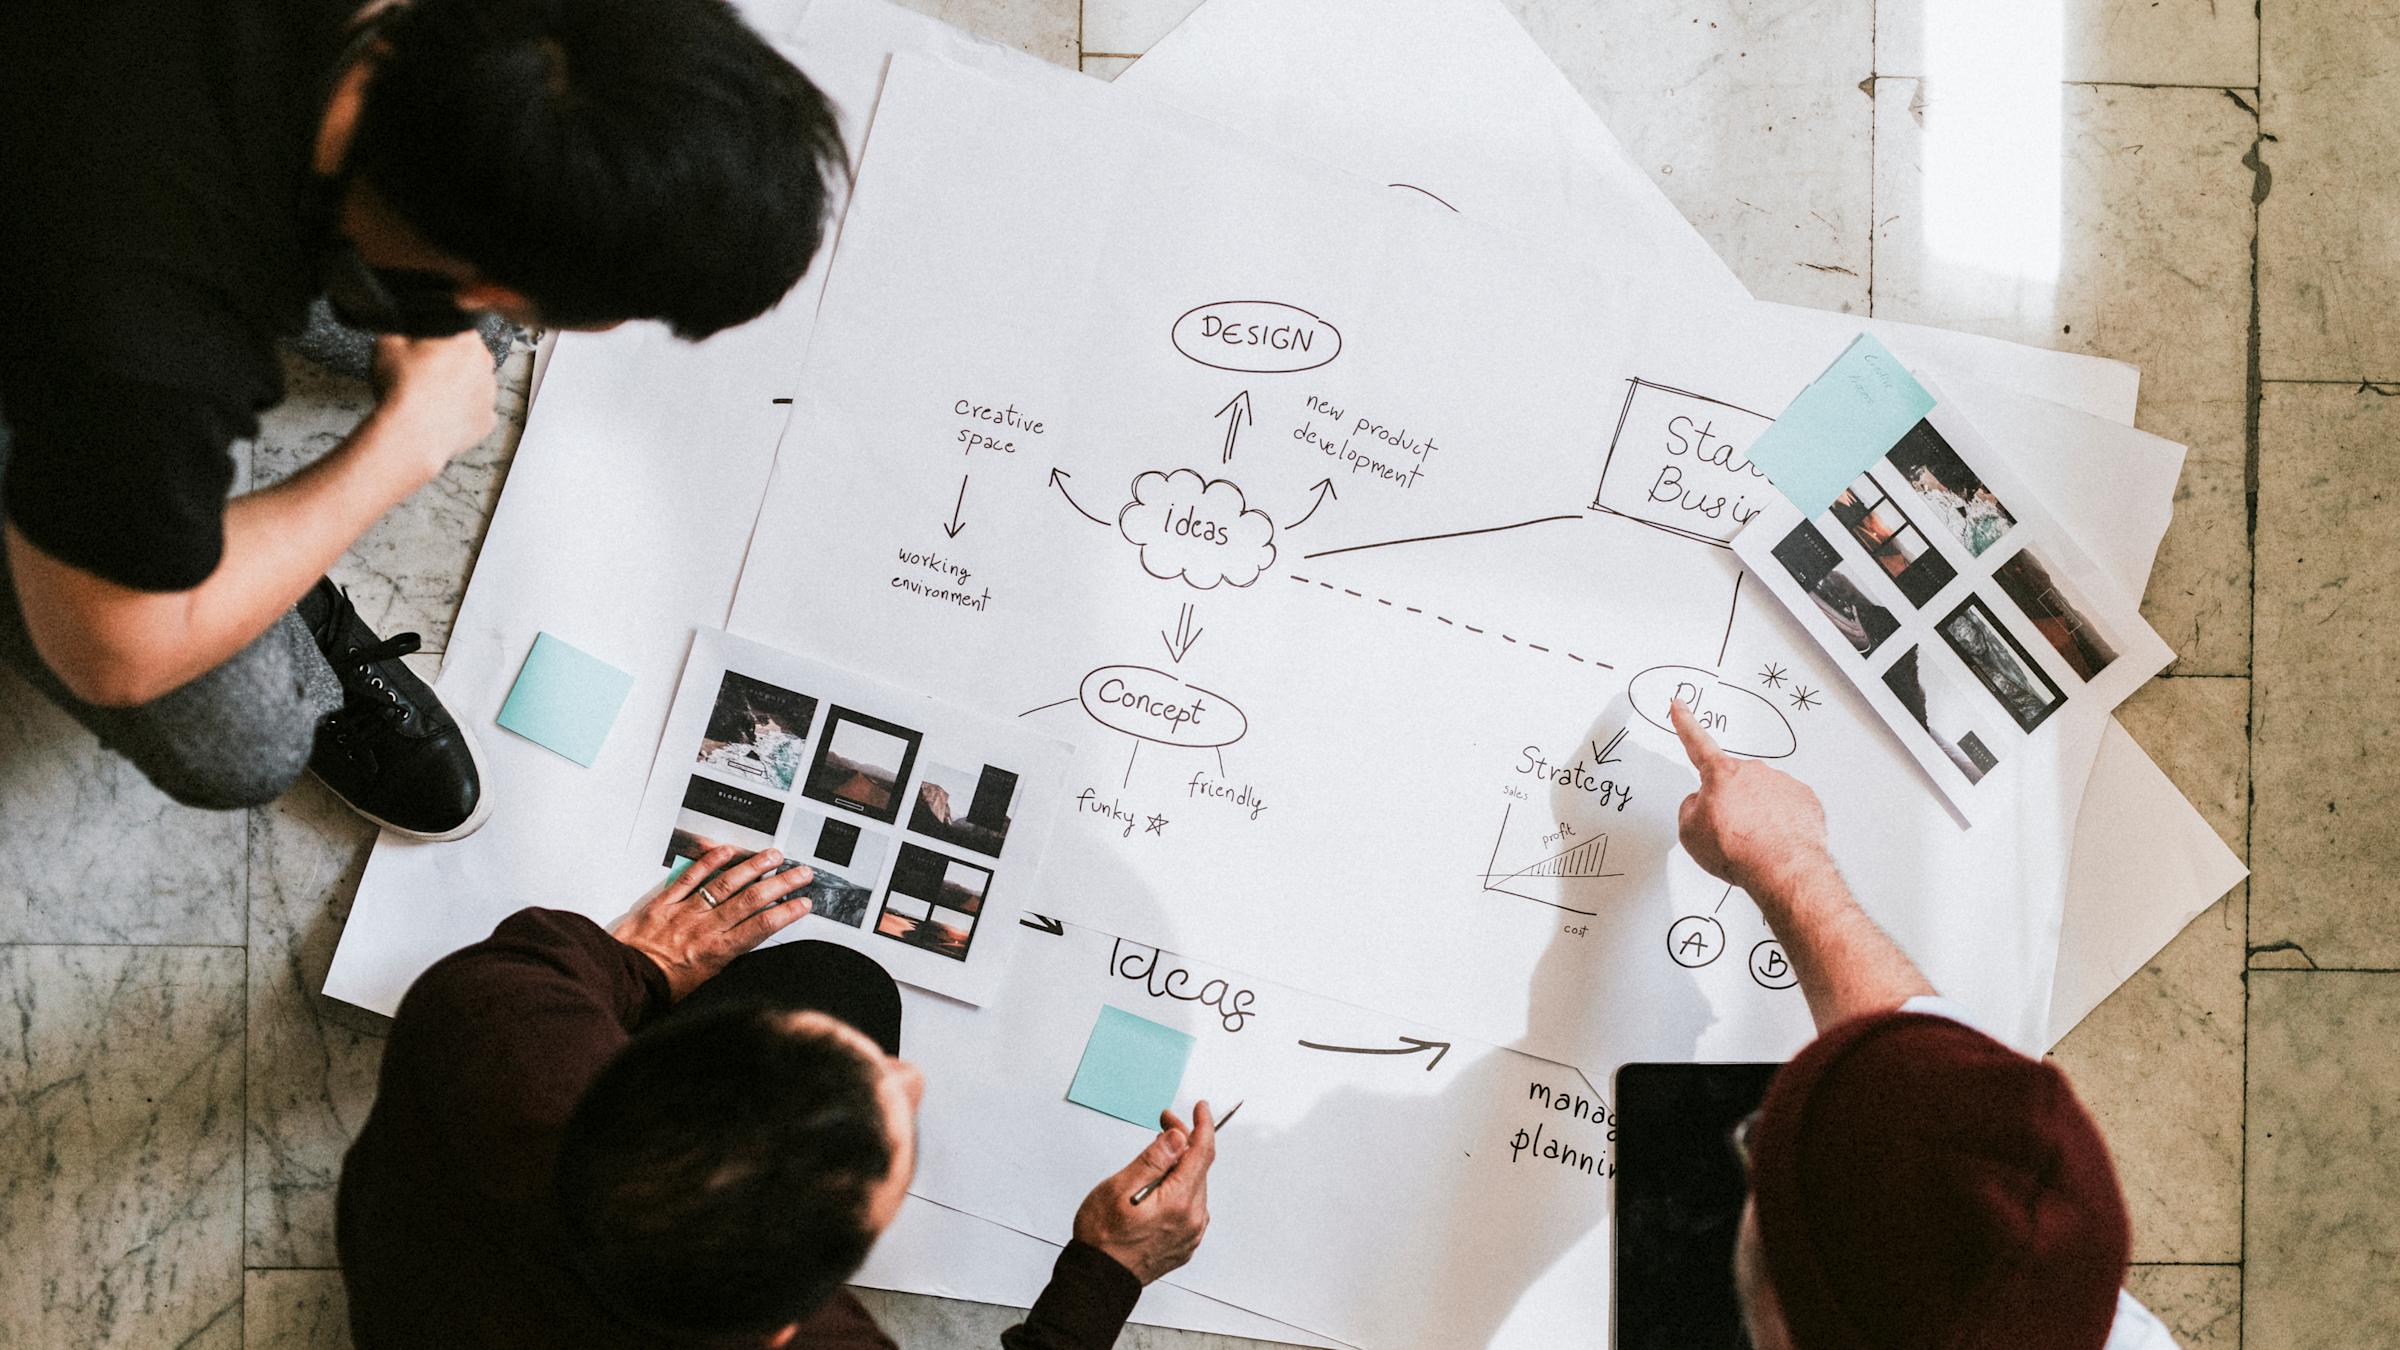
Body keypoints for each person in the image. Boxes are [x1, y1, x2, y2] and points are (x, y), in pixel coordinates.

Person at [0, 0, 845, 838]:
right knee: (244, 742)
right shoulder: (147, 333)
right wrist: (404, 444)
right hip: (71, 248)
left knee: (476, 343)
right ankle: (163, 551)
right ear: (490, 283)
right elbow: (115, 653)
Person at [337, 844, 1219, 1348]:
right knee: (848, 990)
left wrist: (646, 964)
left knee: (840, 985)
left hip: (430, 1292)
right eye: (892, 1154)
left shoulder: (494, 1022)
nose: (908, 1078)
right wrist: (1110, 1268)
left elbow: (547, 963)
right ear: (786, 1327)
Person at [1665, 699, 2180, 1350]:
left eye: (1764, 1143)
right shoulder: (2061, 1311)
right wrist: (1788, 866)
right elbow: (1929, 1112)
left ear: (1786, 1314)